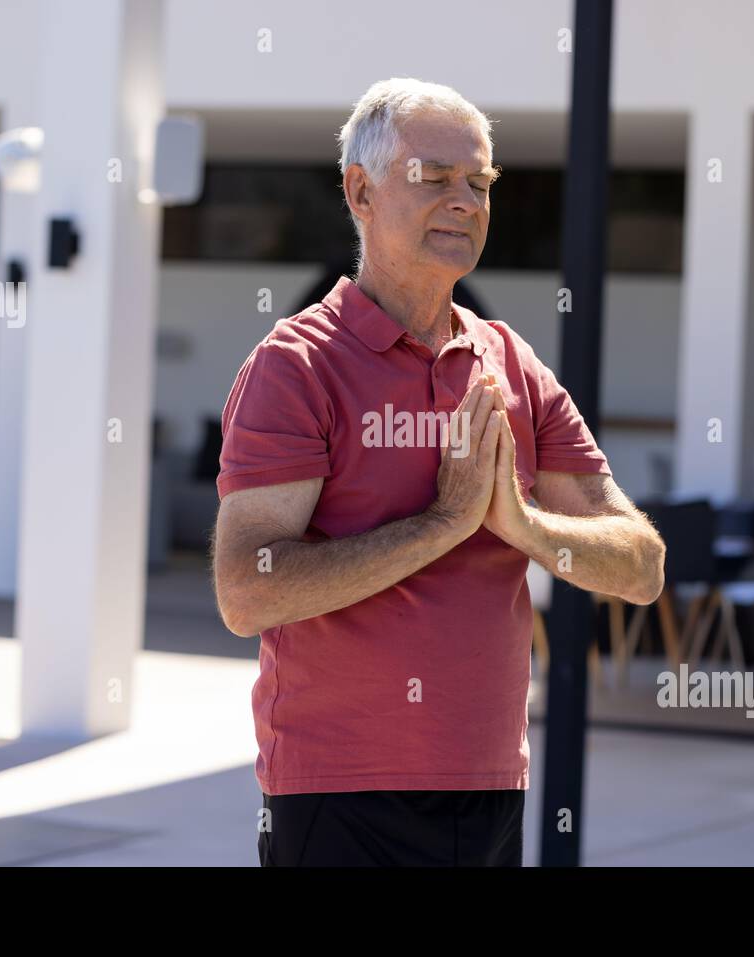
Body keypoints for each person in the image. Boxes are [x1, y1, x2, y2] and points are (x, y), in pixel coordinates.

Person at [211, 77, 666, 867]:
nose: (466, 200)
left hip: (490, 789)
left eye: (480, 182)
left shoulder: (511, 364)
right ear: (361, 191)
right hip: (338, 793)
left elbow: (642, 565)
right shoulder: (296, 366)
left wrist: (523, 525)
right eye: (435, 177)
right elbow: (246, 590)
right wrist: (442, 523)